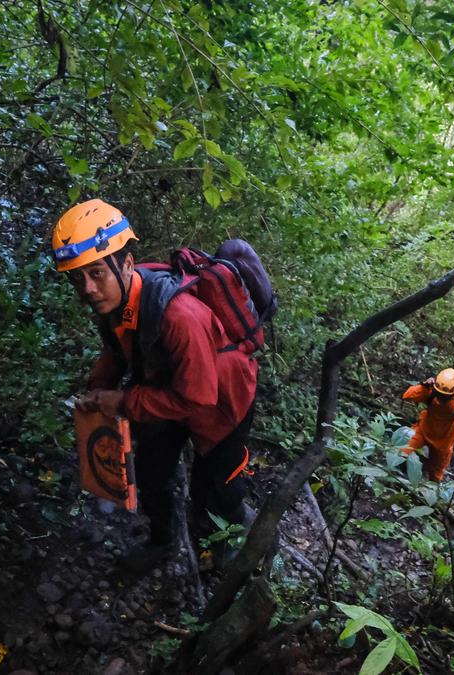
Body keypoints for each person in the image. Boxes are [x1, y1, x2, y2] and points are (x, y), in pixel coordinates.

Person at [52, 199, 258, 570]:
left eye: (96, 273)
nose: (88, 288)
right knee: (151, 469)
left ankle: (234, 553)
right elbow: (117, 348)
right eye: (77, 278)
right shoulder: (116, 298)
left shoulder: (180, 316)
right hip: (165, 387)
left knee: (216, 490)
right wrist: (99, 387)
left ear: (126, 263)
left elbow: (198, 398)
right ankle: (163, 541)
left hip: (223, 402)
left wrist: (123, 401)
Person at [401, 369, 454, 482]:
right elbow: (407, 396)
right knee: (402, 452)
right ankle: (398, 478)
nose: (441, 397)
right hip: (422, 431)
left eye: (445, 395)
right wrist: (424, 387)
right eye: (440, 394)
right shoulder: (432, 392)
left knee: (436, 474)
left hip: (444, 442)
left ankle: (428, 490)